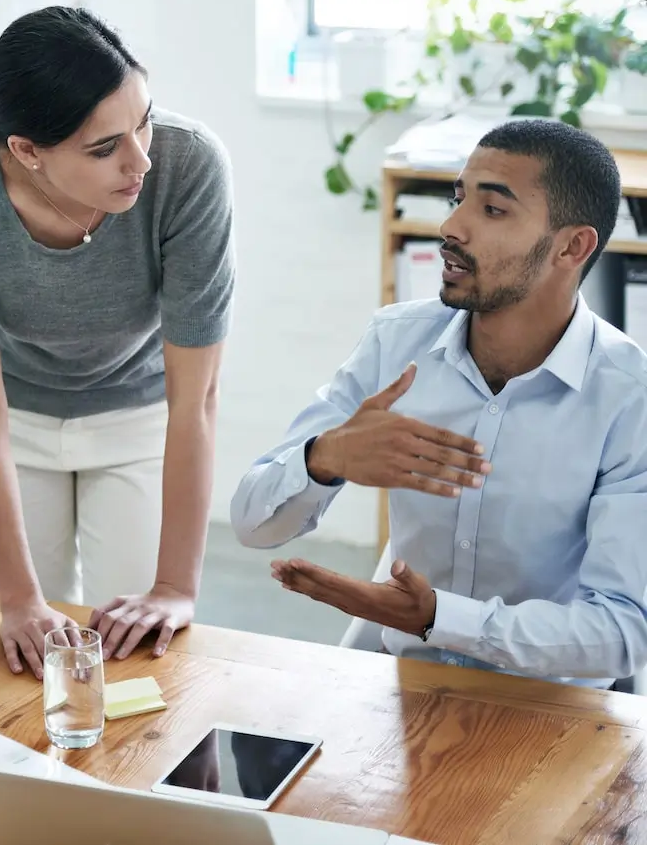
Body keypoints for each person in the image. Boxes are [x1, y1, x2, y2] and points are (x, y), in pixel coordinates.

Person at [230, 119, 647, 689]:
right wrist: (324, 458)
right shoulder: (396, 342)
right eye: (458, 199)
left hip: (550, 704)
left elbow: (623, 633)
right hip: (408, 685)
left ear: (572, 247)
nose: (451, 227)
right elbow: (252, 524)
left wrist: (438, 619)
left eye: (492, 209)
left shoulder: (628, 395)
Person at [0, 6, 235, 679]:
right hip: (9, 417)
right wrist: (18, 600)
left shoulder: (190, 164)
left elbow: (196, 400)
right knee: (35, 654)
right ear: (27, 150)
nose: (141, 159)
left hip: (140, 414)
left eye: (144, 121)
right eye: (105, 148)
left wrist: (176, 587)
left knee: (141, 652)